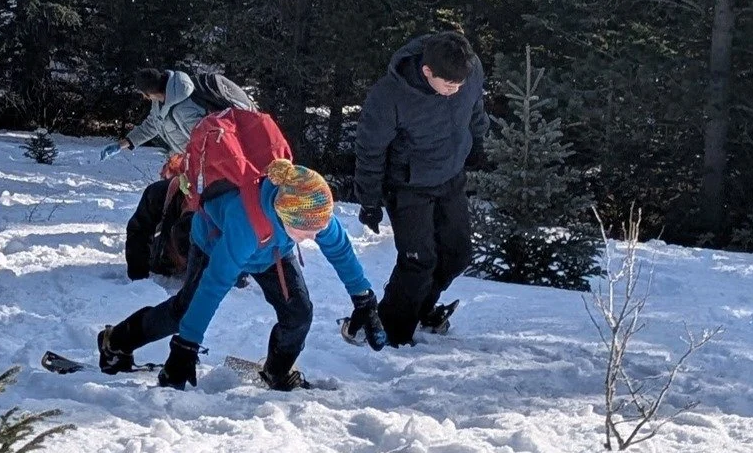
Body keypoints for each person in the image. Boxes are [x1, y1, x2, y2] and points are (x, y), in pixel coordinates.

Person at [98, 158, 386, 389]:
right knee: (185, 311)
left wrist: (364, 299)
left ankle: (277, 371)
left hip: (272, 251)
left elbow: (339, 248)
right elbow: (214, 285)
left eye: (318, 230)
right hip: (214, 242)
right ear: (284, 216)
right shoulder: (245, 224)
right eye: (307, 232)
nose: (314, 236)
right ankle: (117, 341)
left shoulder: (312, 208)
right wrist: (186, 346)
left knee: (298, 312)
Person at [352, 28, 489, 347]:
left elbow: (475, 107)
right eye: (449, 84)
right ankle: (391, 336)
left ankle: (416, 310)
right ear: (427, 71)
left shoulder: (468, 70)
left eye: (460, 83)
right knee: (418, 261)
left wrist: (479, 141)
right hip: (408, 186)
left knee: (457, 254)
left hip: (450, 177)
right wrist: (369, 200)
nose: (456, 90)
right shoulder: (390, 95)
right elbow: (370, 149)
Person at [105, 67, 252, 281]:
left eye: (144, 95)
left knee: (198, 219)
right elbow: (152, 125)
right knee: (162, 205)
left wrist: (189, 172)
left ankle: (220, 271)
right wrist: (125, 143)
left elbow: (207, 143)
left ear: (149, 93)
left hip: (209, 173)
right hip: (188, 167)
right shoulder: (162, 100)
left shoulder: (186, 108)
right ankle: (150, 266)